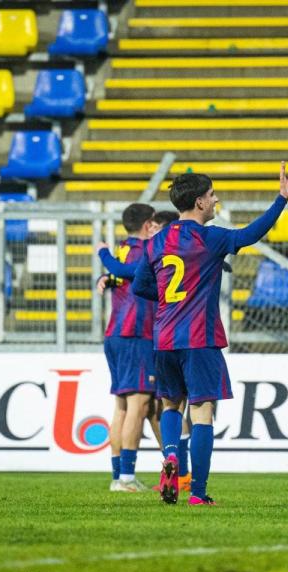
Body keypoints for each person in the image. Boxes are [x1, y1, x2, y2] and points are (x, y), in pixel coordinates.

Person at [132, 163, 288, 506]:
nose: (216, 199)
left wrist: (167, 300)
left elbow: (141, 287)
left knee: (170, 405)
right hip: (199, 337)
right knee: (203, 411)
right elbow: (250, 234)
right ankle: (199, 493)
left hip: (163, 337)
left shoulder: (156, 242)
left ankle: (171, 456)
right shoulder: (212, 238)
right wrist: (281, 200)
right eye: (211, 194)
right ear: (201, 203)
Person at [97, 203, 157, 493]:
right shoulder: (144, 253)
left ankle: (118, 477)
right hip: (136, 334)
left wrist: (105, 270)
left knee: (121, 406)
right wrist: (103, 256)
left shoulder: (122, 250)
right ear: (147, 225)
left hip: (115, 334)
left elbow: (117, 273)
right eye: (155, 223)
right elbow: (123, 271)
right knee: (139, 404)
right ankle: (127, 478)